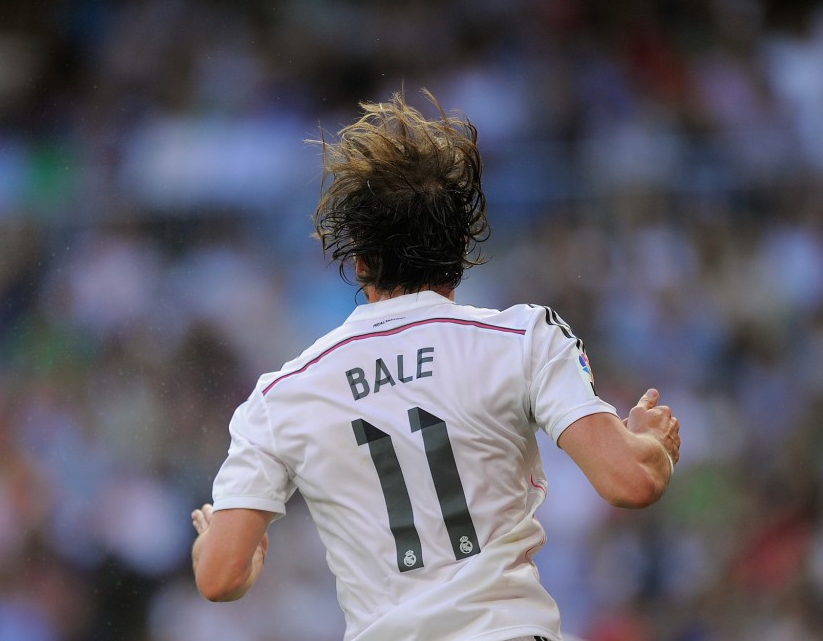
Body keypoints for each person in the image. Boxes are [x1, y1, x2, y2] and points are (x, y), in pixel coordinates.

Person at [190, 90, 681, 641]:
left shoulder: (281, 396)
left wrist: (236, 552)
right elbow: (629, 480)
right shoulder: (523, 338)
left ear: (359, 261)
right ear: (461, 248)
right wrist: (649, 446)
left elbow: (218, 576)